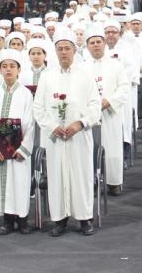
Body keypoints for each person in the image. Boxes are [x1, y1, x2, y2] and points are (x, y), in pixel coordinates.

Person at [33, 28, 101, 236]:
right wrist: (52, 126)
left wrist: (80, 123)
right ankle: (60, 220)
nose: (63, 52)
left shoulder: (85, 75)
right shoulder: (47, 76)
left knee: (81, 176)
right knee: (56, 177)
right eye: (60, 48)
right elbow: (38, 107)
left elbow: (95, 105)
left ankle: (85, 218)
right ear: (55, 51)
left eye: (67, 48)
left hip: (79, 135)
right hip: (56, 137)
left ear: (74, 50)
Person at [0, 49, 35, 235]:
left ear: (19, 69)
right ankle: (7, 220)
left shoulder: (26, 94)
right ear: (0, 70)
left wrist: (23, 148)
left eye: (12, 66)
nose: (8, 69)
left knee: (20, 183)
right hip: (1, 151)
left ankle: (22, 220)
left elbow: (30, 123)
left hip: (19, 149)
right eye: (4, 66)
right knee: (3, 184)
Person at [84, 25, 129, 196]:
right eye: (92, 42)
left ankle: (113, 182)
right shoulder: (82, 67)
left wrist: (109, 101)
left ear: (104, 44)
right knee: (89, 148)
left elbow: (123, 88)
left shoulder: (116, 65)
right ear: (87, 46)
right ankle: (92, 181)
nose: (96, 45)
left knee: (112, 148)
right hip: (89, 114)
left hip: (110, 113)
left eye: (98, 42)